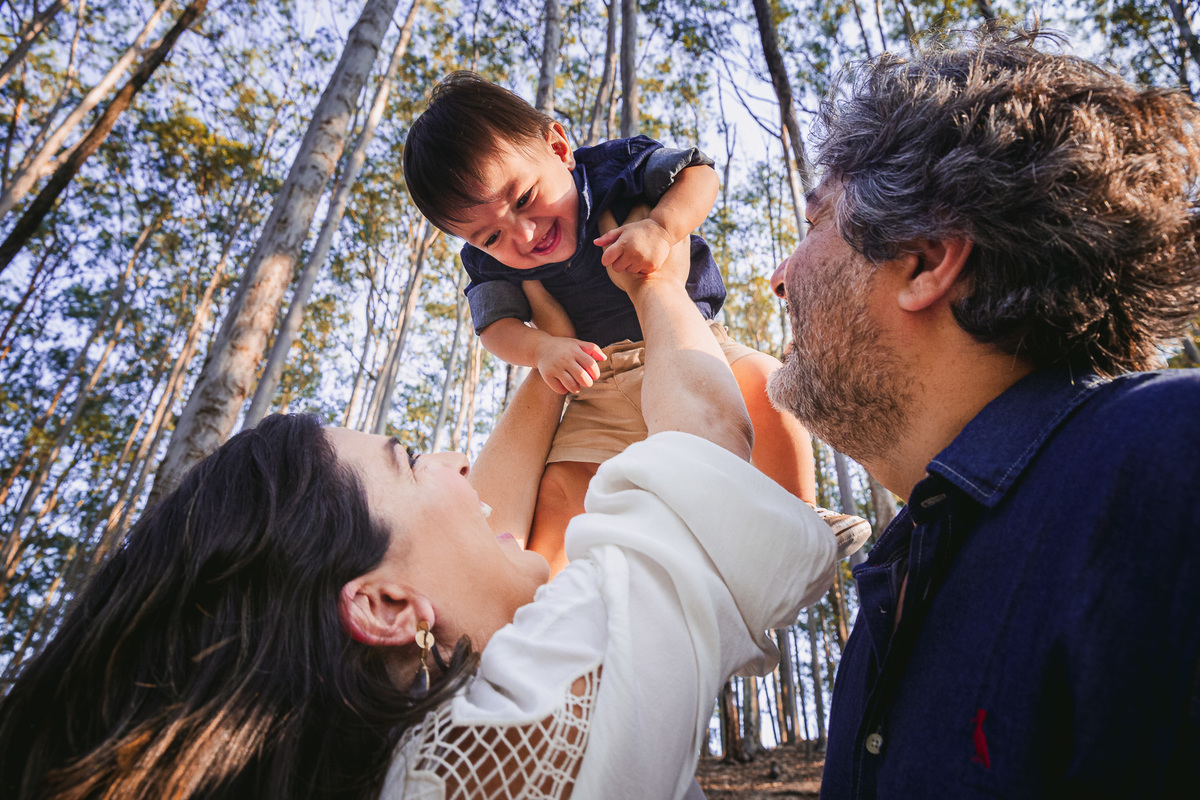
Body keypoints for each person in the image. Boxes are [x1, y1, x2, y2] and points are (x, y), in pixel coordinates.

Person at [0, 231, 838, 800]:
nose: (456, 461)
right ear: (383, 606)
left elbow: (490, 532)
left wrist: (552, 342)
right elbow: (709, 437)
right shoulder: (517, 731)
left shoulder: (390, 757)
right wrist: (655, 280)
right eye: (409, 461)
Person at [765, 29, 1200, 798]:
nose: (779, 276)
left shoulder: (1170, 459)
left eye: (814, 223)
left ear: (927, 259)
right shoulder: (895, 586)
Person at [402, 71, 868, 574]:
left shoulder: (613, 169)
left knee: (766, 387)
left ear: (558, 147)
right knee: (560, 489)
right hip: (595, 383)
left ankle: (791, 517)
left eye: (523, 199)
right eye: (490, 237)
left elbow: (700, 174)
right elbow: (495, 327)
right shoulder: (487, 265)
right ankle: (550, 597)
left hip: (692, 344)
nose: (523, 233)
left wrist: (663, 227)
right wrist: (541, 350)